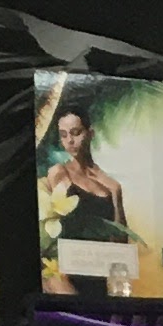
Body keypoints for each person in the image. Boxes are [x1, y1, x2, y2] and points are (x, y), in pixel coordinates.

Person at [39, 95, 126, 240]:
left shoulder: (106, 180)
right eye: (63, 135)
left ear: (90, 134)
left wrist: (116, 193)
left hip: (105, 252)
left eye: (75, 133)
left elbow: (121, 240)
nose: (70, 140)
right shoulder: (59, 173)